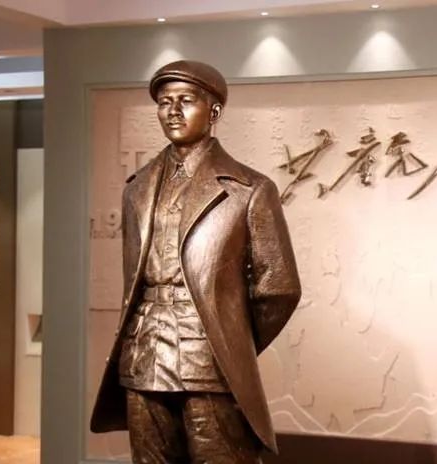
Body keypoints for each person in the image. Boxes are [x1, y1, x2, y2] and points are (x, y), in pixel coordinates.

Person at [90, 60, 302, 464]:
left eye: (185, 100)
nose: (173, 111)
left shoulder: (250, 189)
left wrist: (230, 338)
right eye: (164, 102)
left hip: (209, 362)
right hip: (143, 357)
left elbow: (279, 289)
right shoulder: (137, 188)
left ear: (214, 111)